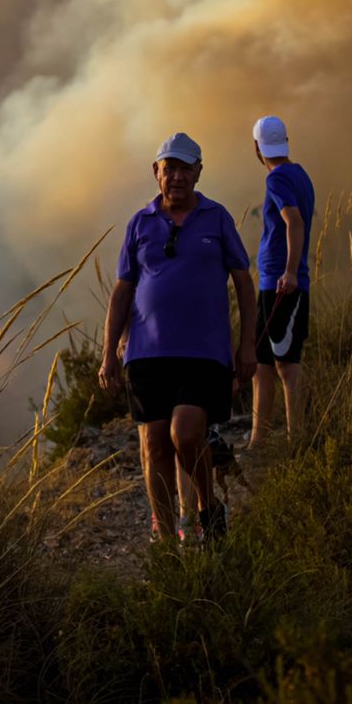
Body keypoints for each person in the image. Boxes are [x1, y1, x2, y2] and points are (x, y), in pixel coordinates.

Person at [99, 132, 257, 544]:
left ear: (199, 172)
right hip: (147, 353)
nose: (177, 177)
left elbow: (243, 282)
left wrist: (247, 346)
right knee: (153, 446)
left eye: (186, 168)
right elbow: (122, 290)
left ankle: (207, 507)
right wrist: (108, 355)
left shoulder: (217, 218)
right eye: (169, 168)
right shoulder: (140, 223)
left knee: (186, 434)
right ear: (156, 173)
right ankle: (168, 542)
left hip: (204, 351)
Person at [249, 114, 315, 451]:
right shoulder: (300, 174)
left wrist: (289, 271)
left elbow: (294, 222)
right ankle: (258, 440)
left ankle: (296, 440)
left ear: (257, 147)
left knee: (286, 363)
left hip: (282, 283)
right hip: (272, 283)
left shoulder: (276, 180)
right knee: (262, 362)